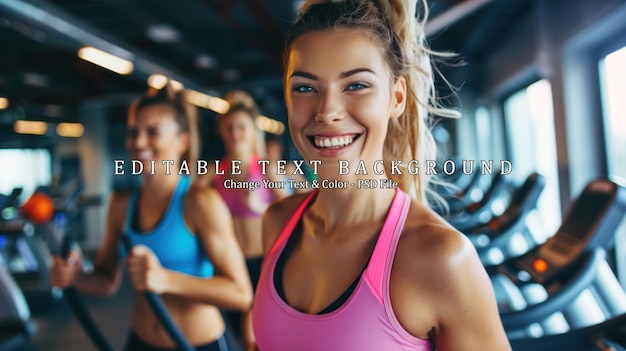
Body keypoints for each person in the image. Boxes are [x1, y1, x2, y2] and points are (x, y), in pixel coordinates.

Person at [251, 1, 512, 350]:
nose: (327, 111)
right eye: (305, 88)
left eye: (357, 86)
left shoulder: (440, 258)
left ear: (396, 98)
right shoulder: (277, 222)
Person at [50, 82, 253, 351]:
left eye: (153, 132)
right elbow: (106, 281)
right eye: (133, 132)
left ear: (182, 141)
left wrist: (166, 279)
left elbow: (240, 293)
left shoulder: (200, 202)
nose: (139, 142)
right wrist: (75, 277)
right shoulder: (120, 204)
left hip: (197, 343)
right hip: (140, 341)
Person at [197, 90, 290, 349]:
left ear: (251, 131)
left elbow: (291, 213)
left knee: (257, 333)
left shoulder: (266, 168)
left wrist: (260, 207)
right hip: (231, 265)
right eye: (230, 128)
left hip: (264, 262)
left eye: (241, 127)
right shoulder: (215, 173)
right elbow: (187, 194)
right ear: (222, 132)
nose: (235, 133)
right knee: (241, 335)